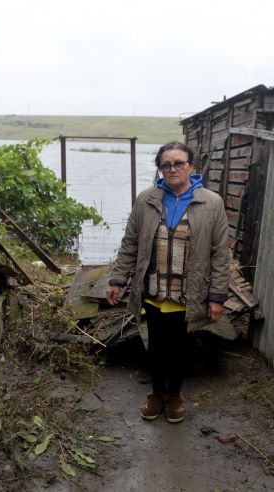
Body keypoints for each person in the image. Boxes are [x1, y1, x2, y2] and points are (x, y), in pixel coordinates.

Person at [105, 141, 229, 424]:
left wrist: (217, 297)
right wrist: (118, 279)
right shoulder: (147, 199)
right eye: (166, 164)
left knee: (180, 350)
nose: (172, 169)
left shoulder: (211, 203)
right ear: (160, 169)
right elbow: (130, 244)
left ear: (191, 167)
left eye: (179, 163)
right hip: (153, 291)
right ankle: (157, 393)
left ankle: (175, 396)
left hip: (189, 294)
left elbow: (221, 254)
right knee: (157, 347)